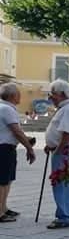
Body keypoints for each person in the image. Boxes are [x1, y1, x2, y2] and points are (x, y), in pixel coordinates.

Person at [44, 79, 69, 228]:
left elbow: (67, 134)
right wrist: (51, 145)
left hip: (66, 150)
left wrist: (57, 150)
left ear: (61, 94)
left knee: (60, 184)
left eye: (52, 94)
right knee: (66, 184)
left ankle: (65, 216)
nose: (50, 98)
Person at [0, 83, 36, 223]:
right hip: (3, 149)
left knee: (7, 180)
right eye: (19, 93)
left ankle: (3, 208)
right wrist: (29, 148)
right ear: (13, 95)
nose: (20, 95)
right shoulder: (6, 109)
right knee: (2, 182)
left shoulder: (5, 108)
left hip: (7, 148)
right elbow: (16, 131)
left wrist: (27, 141)